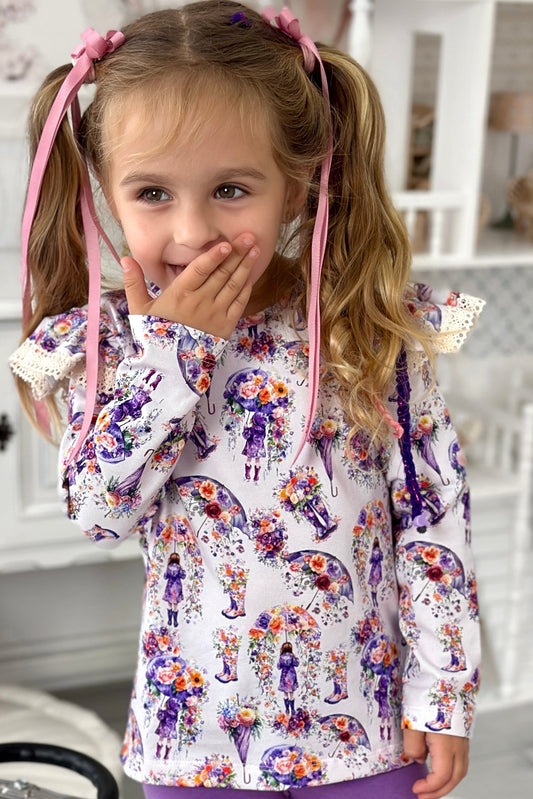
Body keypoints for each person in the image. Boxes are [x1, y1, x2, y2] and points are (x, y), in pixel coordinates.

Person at [9, 2, 484, 797]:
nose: (193, 230)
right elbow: (97, 512)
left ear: (294, 187)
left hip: (366, 735)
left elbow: (434, 520)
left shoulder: (369, 327)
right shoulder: (104, 344)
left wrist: (442, 693)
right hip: (193, 743)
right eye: (152, 192)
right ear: (107, 194)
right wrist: (174, 353)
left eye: (230, 188)